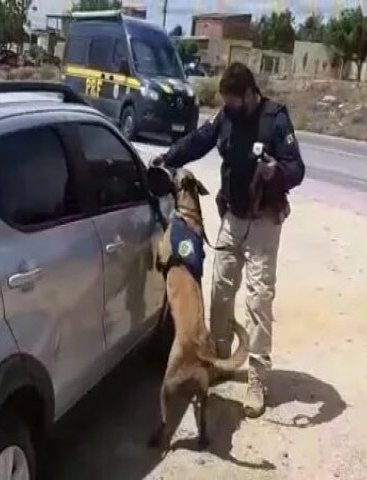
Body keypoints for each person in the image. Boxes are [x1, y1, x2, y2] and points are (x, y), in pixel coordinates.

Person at [151, 62, 305, 418]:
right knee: (220, 292)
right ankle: (219, 362)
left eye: (234, 101)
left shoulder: (276, 119)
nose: (230, 107)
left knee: (258, 300)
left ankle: (256, 379)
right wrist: (168, 158)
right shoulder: (227, 116)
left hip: (264, 223)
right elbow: (199, 141)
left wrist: (275, 171)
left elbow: (297, 167)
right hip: (232, 218)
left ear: (250, 93)